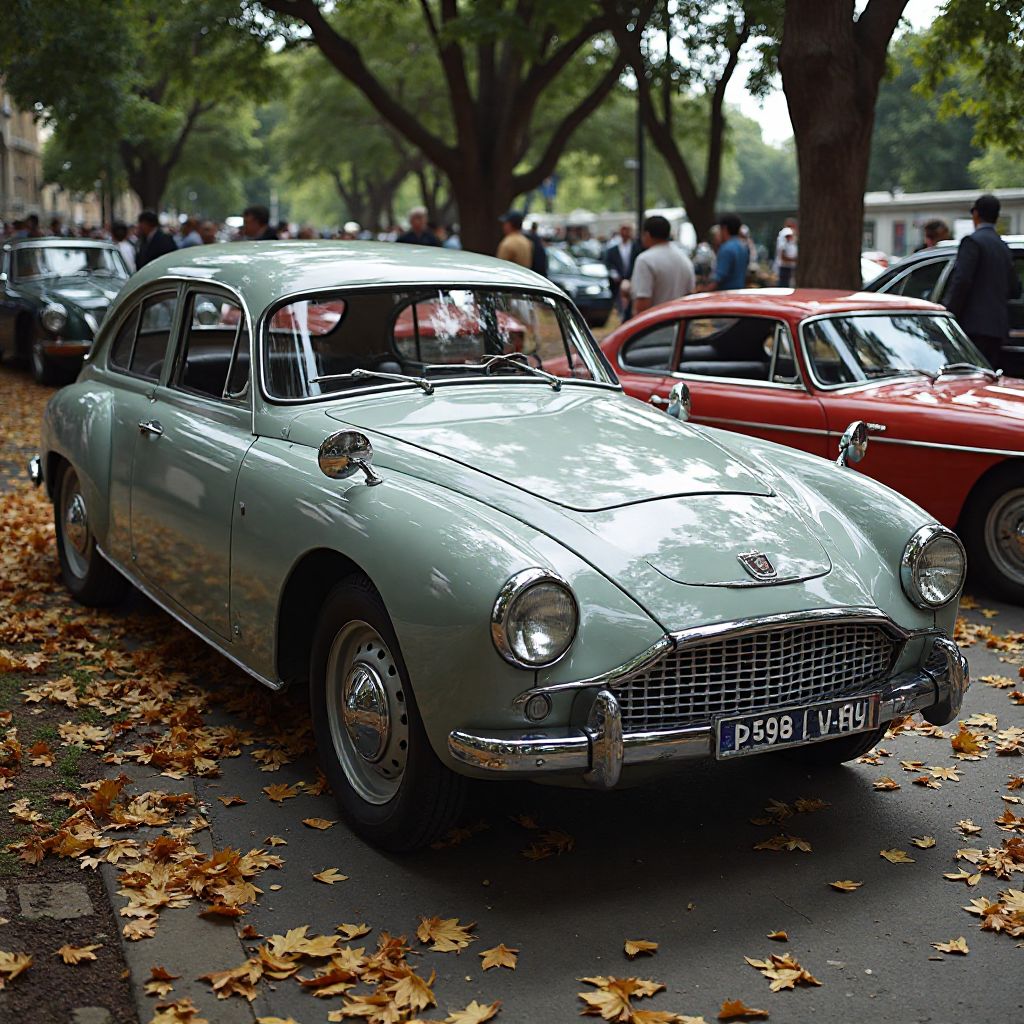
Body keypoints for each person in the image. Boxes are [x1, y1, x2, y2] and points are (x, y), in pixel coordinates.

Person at [944, 194, 1022, 368]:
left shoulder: (972, 242)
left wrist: (949, 316)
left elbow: (961, 281)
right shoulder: (1003, 247)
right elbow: (1015, 289)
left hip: (972, 329)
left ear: (976, 214)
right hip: (998, 329)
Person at [630, 215, 695, 315]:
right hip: (679, 324)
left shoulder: (645, 260)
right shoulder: (683, 258)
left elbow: (642, 304)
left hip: (655, 325)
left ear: (647, 234)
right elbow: (690, 295)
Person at [703, 213, 749, 292]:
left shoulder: (726, 249)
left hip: (725, 295)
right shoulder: (744, 247)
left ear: (724, 229)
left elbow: (718, 278)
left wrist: (702, 292)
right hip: (739, 293)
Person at [605, 223, 640, 320]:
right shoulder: (613, 249)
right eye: (623, 229)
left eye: (627, 229)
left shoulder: (637, 247)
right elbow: (608, 264)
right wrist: (614, 274)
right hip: (618, 282)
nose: (625, 232)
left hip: (632, 280)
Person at [773, 218, 798, 286]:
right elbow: (782, 255)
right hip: (784, 268)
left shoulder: (791, 235)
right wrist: (795, 260)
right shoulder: (785, 233)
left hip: (789, 267)